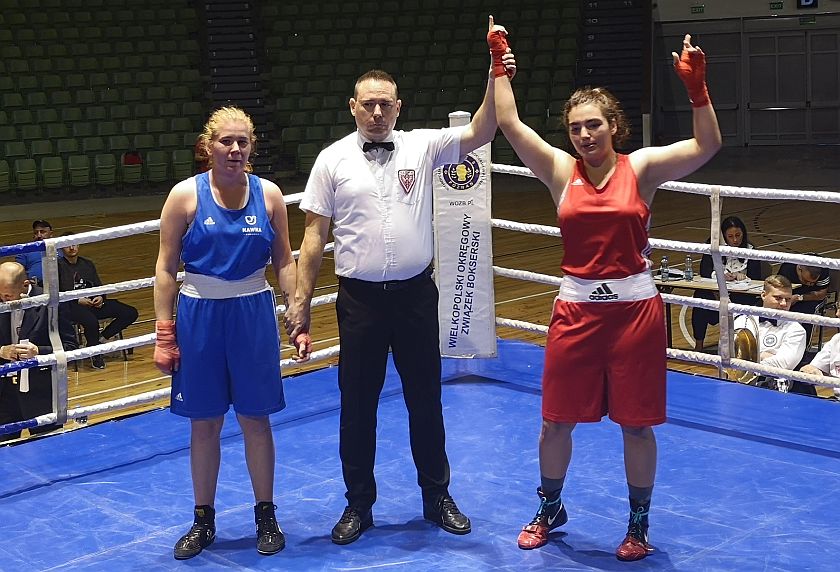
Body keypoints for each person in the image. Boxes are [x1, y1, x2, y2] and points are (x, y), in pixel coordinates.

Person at [491, 26, 721, 561]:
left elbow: (706, 145)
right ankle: (550, 507)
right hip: (576, 309)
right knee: (554, 420)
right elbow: (507, 122)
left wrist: (698, 91)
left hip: (634, 312)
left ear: (613, 126)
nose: (584, 135)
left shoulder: (639, 168)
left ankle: (638, 523)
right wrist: (500, 61)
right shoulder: (557, 170)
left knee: (636, 426)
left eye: (593, 125)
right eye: (575, 128)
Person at [285, 17, 515, 546]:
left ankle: (437, 497)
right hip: (359, 301)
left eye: (385, 102)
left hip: (415, 295)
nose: (376, 110)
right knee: (356, 408)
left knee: (425, 402)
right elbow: (314, 238)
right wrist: (299, 305)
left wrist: (494, 70)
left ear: (398, 106)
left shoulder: (423, 146)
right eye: (367, 102)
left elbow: (482, 129)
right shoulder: (330, 160)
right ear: (352, 106)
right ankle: (357, 506)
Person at [153, 106, 300, 559]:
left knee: (256, 419)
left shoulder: (270, 195)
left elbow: (284, 261)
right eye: (226, 142)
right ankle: (203, 519)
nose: (235, 150)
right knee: (205, 422)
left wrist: (298, 315)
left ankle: (266, 515)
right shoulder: (185, 196)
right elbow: (164, 266)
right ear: (208, 146)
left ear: (252, 146)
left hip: (252, 312)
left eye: (243, 142)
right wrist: (163, 332)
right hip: (199, 314)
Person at [1, 262, 78, 442]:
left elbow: (71, 347)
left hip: (40, 393)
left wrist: (39, 353)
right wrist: (1, 351)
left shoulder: (49, 303)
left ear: (26, 284)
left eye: (8, 295)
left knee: (48, 449)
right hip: (4, 394)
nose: (3, 300)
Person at [58, 235, 139, 370]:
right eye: (68, 245)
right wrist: (77, 299)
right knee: (91, 321)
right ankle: (95, 353)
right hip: (72, 306)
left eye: (74, 244)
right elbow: (59, 291)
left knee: (130, 312)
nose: (72, 248)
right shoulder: (58, 266)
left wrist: (101, 297)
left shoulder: (87, 264)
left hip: (93, 303)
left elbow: (99, 285)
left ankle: (100, 340)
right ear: (61, 248)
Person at [692, 216, 764, 351]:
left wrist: (742, 276)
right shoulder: (713, 246)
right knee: (700, 299)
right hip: (715, 293)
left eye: (738, 235)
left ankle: (740, 346)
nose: (735, 240)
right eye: (730, 236)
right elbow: (704, 271)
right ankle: (699, 345)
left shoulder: (751, 250)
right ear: (724, 236)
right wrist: (720, 275)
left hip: (740, 295)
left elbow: (757, 278)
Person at [733, 275, 806, 391]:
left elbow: (783, 364)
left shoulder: (796, 330)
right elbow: (727, 354)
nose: (783, 304)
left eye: (787, 299)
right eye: (778, 298)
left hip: (773, 389)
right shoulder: (743, 320)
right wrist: (762, 356)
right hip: (735, 384)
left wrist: (751, 357)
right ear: (763, 295)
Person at [777, 260, 830, 343]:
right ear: (799, 268)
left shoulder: (823, 268)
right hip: (789, 296)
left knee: (807, 313)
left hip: (811, 298)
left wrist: (800, 298)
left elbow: (822, 294)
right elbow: (779, 289)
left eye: (813, 283)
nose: (809, 284)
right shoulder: (787, 268)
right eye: (805, 281)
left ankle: (804, 346)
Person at [800, 304, 840, 400]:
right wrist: (809, 371)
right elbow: (812, 368)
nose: (837, 314)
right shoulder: (837, 339)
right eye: (838, 307)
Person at [14, 220, 63, 286]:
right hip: (35, 287)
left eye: (42, 232)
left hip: (60, 285)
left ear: (51, 234)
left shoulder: (60, 248)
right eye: (36, 232)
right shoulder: (25, 250)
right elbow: (18, 272)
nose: (39, 235)